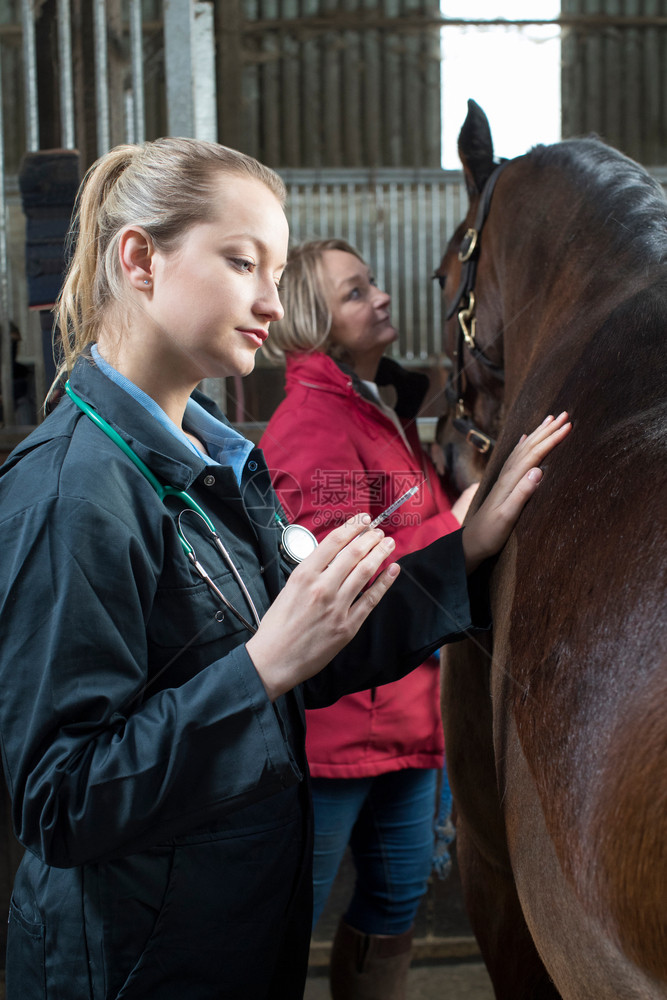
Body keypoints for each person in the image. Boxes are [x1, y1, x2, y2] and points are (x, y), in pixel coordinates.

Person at [0, 137, 571, 1000]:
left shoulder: (216, 463)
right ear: (140, 259)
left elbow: (311, 655)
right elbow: (61, 800)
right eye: (241, 262)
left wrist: (469, 546)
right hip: (135, 968)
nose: (272, 300)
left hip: (231, 937)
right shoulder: (71, 495)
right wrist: (259, 667)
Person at [260, 238, 477, 998]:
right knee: (285, 918)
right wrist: (465, 528)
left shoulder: (376, 407)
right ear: (317, 322)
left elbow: (406, 526)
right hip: (342, 730)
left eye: (373, 283)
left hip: (408, 721)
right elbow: (342, 574)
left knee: (394, 906)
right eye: (355, 293)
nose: (381, 297)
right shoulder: (313, 428)